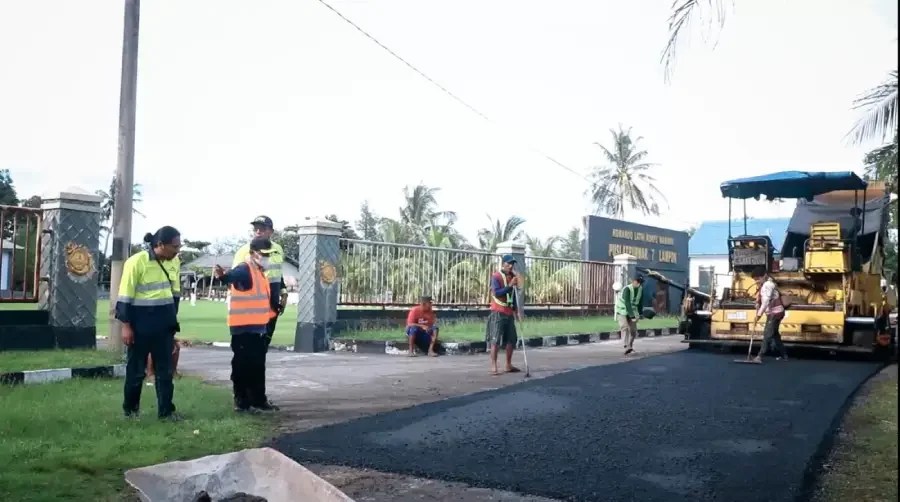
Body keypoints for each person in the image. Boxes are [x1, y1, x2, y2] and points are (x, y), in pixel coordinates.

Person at [117, 226, 183, 421]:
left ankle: (166, 412)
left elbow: (175, 295)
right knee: (136, 371)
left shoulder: (175, 262)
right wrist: (126, 326)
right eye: (174, 246)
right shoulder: (136, 262)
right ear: (160, 245)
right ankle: (130, 411)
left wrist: (172, 324)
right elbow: (125, 296)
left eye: (179, 246)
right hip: (141, 325)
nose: (177, 250)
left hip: (164, 325)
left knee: (165, 372)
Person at [215, 236, 279, 413]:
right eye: (263, 254)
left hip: (257, 328)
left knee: (257, 366)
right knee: (243, 366)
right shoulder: (245, 269)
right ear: (252, 254)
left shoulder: (259, 273)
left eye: (269, 254)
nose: (266, 258)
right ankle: (242, 403)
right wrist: (223, 276)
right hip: (243, 328)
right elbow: (231, 277)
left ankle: (258, 400)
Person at [233, 216, 287, 352]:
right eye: (256, 228)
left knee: (266, 339)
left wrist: (283, 292)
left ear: (271, 231)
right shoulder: (244, 251)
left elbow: (278, 273)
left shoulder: (278, 249)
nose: (258, 231)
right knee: (251, 342)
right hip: (253, 303)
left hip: (272, 300)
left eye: (262, 229)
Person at [486, 255, 522, 376]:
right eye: (509, 263)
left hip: (509, 311)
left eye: (512, 264)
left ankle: (508, 364)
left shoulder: (513, 277)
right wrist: (510, 285)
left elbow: (515, 294)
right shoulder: (496, 276)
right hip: (498, 311)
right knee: (495, 339)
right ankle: (494, 366)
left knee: (511, 339)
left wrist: (517, 311)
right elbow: (497, 293)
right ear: (503, 264)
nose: (511, 266)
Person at [751, 266, 788, 362]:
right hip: (774, 312)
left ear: (764, 276)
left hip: (775, 313)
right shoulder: (764, 285)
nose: (757, 281)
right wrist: (757, 303)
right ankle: (784, 355)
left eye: (758, 278)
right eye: (755, 279)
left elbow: (766, 301)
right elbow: (763, 299)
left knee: (767, 333)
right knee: (775, 334)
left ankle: (760, 356)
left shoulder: (768, 284)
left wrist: (758, 315)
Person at [616, 275, 644, 355]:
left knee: (633, 330)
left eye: (640, 282)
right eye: (637, 282)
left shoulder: (640, 289)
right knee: (624, 327)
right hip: (622, 310)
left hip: (634, 310)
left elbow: (640, 302)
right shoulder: (627, 289)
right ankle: (626, 346)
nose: (638, 284)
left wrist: (641, 313)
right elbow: (627, 303)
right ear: (633, 281)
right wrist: (632, 316)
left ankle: (630, 345)